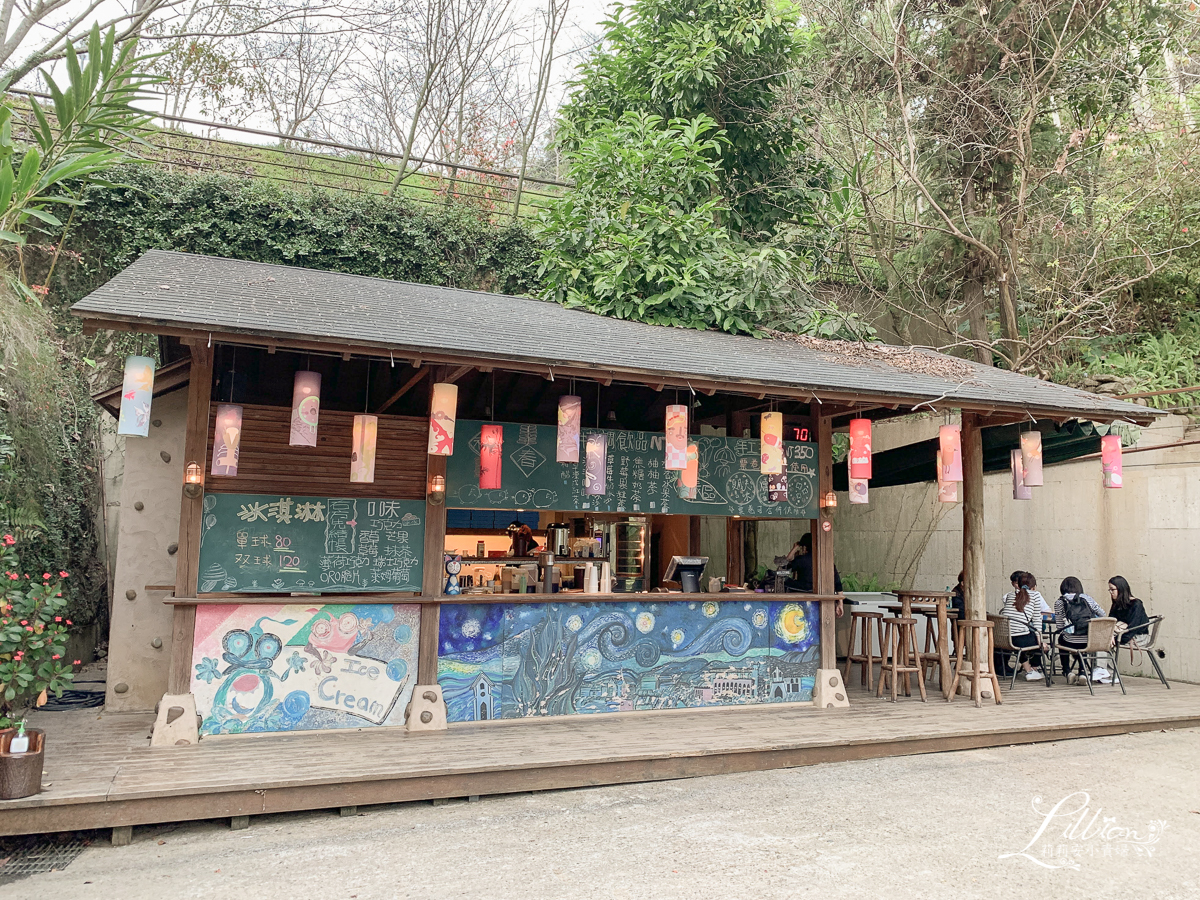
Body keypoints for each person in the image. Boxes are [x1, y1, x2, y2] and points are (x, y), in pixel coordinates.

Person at [1054, 576, 1107, 684]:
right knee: (1082, 640)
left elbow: (1060, 627)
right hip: (1088, 641)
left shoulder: (1059, 602)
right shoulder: (1087, 598)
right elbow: (1103, 614)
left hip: (1069, 642)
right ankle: (1082, 672)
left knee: (1062, 639)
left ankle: (1067, 671)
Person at [998, 573, 1045, 680]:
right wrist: (1041, 641)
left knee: (1023, 634)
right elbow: (1037, 620)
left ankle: (1029, 670)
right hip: (1019, 639)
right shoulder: (1036, 595)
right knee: (1037, 641)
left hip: (1003, 638)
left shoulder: (1010, 595)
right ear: (1033, 586)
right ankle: (1032, 670)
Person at [784, 534, 843, 615]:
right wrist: (840, 603)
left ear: (804, 547)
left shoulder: (801, 559)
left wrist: (794, 548)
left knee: (786, 582)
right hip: (823, 594)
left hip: (802, 591)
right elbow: (838, 583)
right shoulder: (827, 561)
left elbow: (784, 566)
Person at [1108, 575, 1150, 646]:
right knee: (1100, 640)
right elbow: (1110, 622)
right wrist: (1109, 636)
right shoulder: (1116, 604)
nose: (1110, 592)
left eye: (1112, 589)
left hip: (1138, 636)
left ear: (1120, 589)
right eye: (1109, 589)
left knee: (1104, 643)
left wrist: (1115, 639)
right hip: (1121, 634)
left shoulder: (1136, 604)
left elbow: (1133, 628)